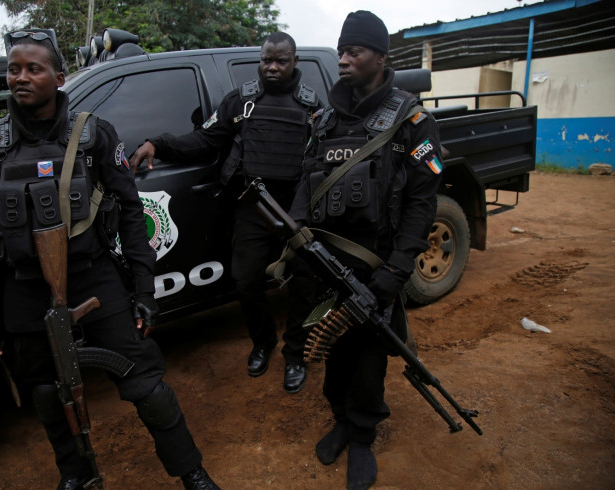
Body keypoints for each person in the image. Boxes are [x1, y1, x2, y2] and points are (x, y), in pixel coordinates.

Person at [0, 30, 219, 490]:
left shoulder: (94, 134)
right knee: (45, 391)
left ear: (58, 78)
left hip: (92, 276)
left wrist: (143, 290)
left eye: (33, 69)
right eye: (14, 69)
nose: (21, 77)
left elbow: (131, 212)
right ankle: (75, 476)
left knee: (146, 383)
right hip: (24, 286)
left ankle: (191, 472)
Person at [288, 11, 443, 490]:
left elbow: (422, 202)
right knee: (333, 351)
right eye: (341, 50)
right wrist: (297, 239)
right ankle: (340, 418)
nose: (344, 59)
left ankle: (362, 437)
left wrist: (398, 269)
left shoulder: (411, 120)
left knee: (370, 358)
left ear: (380, 56)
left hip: (379, 266)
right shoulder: (326, 118)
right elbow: (306, 181)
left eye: (354, 51)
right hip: (328, 262)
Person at [130, 32, 321, 394]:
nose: (273, 67)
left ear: (294, 61)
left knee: (304, 283)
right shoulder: (242, 101)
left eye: (281, 60)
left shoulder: (312, 107)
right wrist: (159, 142)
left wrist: (306, 212)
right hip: (254, 205)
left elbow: (319, 163)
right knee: (245, 280)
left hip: (297, 205)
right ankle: (263, 343)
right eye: (267, 60)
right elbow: (203, 139)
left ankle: (295, 353)